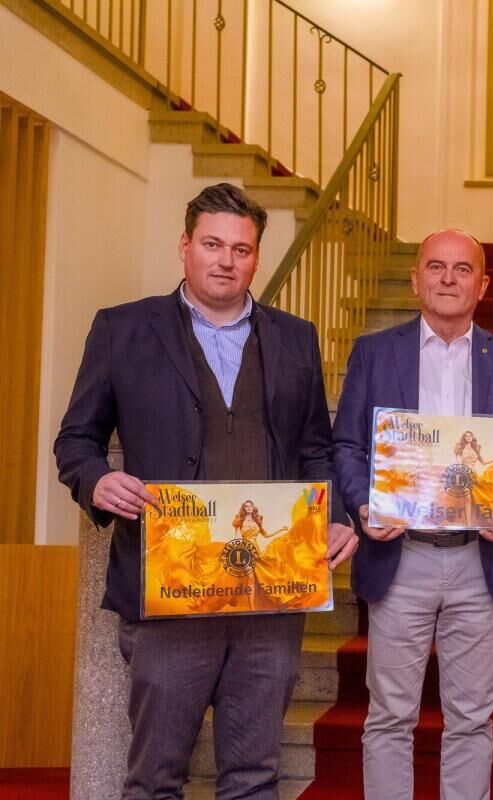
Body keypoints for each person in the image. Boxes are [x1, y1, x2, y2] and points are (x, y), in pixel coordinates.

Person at [54, 182, 358, 799]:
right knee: (154, 779)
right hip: (168, 593)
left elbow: (315, 450)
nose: (226, 260)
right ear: (184, 247)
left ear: (257, 257)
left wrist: (338, 516)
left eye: (241, 249)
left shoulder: (296, 337)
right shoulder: (122, 329)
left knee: (254, 778)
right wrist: (97, 479)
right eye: (212, 244)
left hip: (271, 596)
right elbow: (76, 440)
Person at [332, 228, 493, 800]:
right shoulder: (375, 352)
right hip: (401, 556)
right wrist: (364, 505)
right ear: (416, 279)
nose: (448, 279)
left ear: (483, 285)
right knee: (389, 716)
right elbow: (346, 445)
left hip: (478, 560)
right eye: (436, 267)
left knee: (472, 717)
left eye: (462, 269)